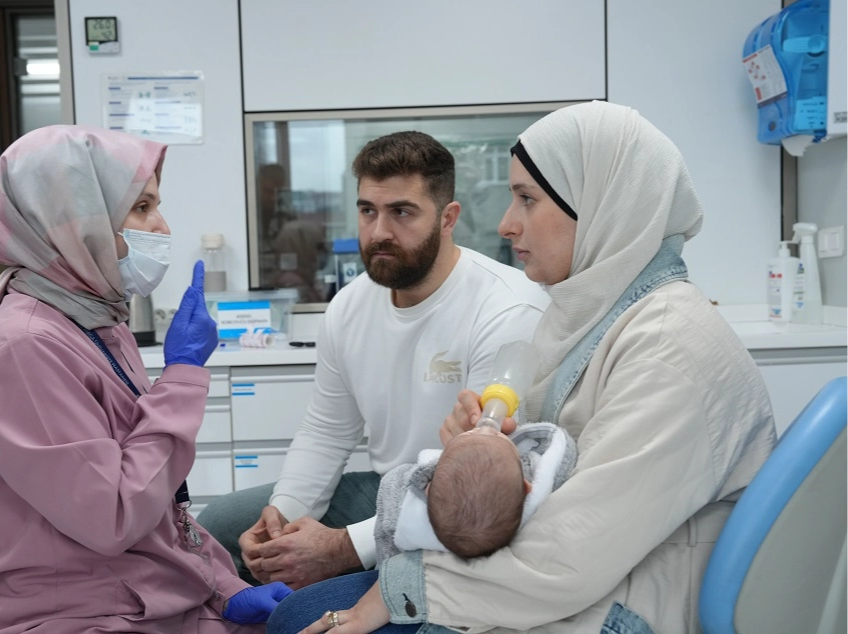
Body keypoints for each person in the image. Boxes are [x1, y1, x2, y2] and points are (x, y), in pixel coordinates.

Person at [267, 101, 778, 634]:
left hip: (625, 602)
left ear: (601, 204)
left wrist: (398, 589)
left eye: (526, 199)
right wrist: (491, 445)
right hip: (576, 572)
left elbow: (573, 551)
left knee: (299, 618)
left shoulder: (673, 348)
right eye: (367, 210)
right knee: (294, 609)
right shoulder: (595, 318)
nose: (508, 225)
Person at [0, 125, 291, 634]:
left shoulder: (95, 323)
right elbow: (114, 513)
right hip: (62, 616)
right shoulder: (23, 347)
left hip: (133, 594)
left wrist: (226, 589)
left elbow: (156, 502)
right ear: (74, 222)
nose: (161, 227)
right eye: (140, 209)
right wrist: (182, 375)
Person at [196, 131, 550, 589]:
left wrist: (345, 547)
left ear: (448, 218)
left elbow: (476, 483)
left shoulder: (506, 309)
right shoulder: (349, 307)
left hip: (470, 507)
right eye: (368, 211)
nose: (379, 231)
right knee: (222, 526)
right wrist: (282, 515)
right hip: (387, 489)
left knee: (308, 598)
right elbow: (326, 432)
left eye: (401, 212)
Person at [374, 422, 576, 562]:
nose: (485, 428)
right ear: (525, 488)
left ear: (428, 487)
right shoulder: (537, 523)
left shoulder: (409, 526)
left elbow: (386, 546)